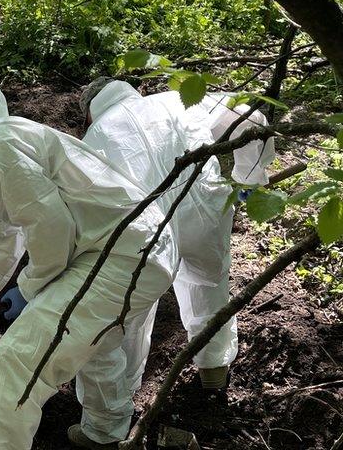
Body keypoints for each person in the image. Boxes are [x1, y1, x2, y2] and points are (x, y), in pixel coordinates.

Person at [0, 86, 179, 450]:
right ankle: (104, 434)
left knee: (17, 362)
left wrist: (29, 288)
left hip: (119, 255)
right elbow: (3, 239)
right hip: (141, 245)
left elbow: (51, 227)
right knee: (94, 344)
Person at [73, 78, 275, 446]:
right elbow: (252, 113)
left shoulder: (92, 139)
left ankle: (113, 413)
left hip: (143, 227)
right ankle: (214, 366)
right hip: (203, 204)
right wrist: (250, 176)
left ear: (89, 113)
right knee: (207, 281)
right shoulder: (177, 101)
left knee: (125, 312)